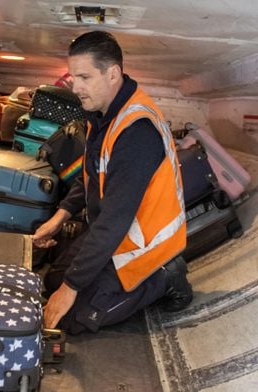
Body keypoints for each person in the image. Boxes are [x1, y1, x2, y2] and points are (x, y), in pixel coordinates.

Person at [32, 31, 192, 334]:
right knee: (53, 280)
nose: (75, 87)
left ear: (113, 74)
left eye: (84, 77)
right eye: (72, 76)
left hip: (143, 243)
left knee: (68, 317)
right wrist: (59, 218)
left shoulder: (136, 132)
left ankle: (167, 276)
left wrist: (72, 289)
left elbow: (115, 221)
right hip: (113, 229)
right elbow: (92, 175)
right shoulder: (102, 114)